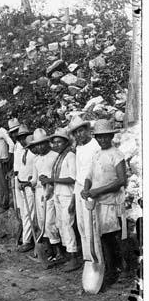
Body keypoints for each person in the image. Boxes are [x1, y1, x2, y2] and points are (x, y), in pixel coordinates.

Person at [82, 119, 127, 286]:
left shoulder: (116, 155)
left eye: (105, 137)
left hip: (112, 202)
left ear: (111, 136)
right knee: (103, 237)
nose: (102, 140)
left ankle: (118, 269)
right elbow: (89, 175)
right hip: (98, 203)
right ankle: (109, 267)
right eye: (99, 137)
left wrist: (97, 191)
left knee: (112, 237)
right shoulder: (97, 155)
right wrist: (86, 189)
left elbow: (121, 180)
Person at [68, 116, 100, 266]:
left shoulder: (95, 145)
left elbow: (98, 171)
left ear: (87, 130)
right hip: (80, 188)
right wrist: (74, 198)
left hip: (91, 188)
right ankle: (88, 259)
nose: (79, 135)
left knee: (90, 225)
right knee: (81, 224)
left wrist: (90, 190)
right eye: (76, 133)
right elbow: (78, 175)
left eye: (81, 131)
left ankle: (97, 259)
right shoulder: (79, 148)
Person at [48, 128, 80, 271]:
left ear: (66, 142)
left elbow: (73, 178)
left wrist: (52, 179)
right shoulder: (59, 156)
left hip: (68, 195)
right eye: (54, 142)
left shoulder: (70, 156)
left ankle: (74, 258)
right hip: (58, 194)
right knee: (61, 224)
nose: (56, 145)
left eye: (59, 142)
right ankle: (67, 255)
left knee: (68, 225)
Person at [29, 128, 62, 263]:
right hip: (39, 193)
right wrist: (27, 183)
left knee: (50, 222)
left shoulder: (55, 156)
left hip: (52, 192)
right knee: (42, 222)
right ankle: (50, 252)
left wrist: (49, 183)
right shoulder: (36, 160)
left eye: (42, 143)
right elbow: (34, 180)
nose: (40, 146)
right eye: (37, 144)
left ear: (47, 142)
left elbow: (58, 175)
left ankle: (60, 251)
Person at [11, 124, 35, 253]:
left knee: (29, 213)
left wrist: (28, 182)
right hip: (21, 184)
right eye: (20, 138)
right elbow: (19, 167)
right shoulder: (20, 149)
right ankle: (26, 238)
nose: (22, 140)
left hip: (30, 185)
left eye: (24, 137)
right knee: (23, 212)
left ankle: (27, 241)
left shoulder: (33, 150)